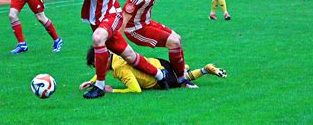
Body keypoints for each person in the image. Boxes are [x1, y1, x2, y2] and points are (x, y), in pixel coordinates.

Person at [78, 0, 173, 99]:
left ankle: (99, 86)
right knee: (129, 55)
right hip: (95, 19)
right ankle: (159, 75)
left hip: (112, 13)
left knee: (98, 38)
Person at [121, 0, 195, 87]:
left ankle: (180, 72)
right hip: (135, 29)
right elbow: (124, 19)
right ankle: (182, 80)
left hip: (146, 22)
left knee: (177, 38)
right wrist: (119, 45)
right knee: (174, 42)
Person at [80, 47, 227, 93]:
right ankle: (185, 67)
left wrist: (113, 90)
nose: (97, 67)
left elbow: (136, 90)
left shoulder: (119, 69)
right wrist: (92, 81)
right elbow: (103, 69)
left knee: (182, 81)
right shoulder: (115, 53)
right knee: (180, 75)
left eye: (96, 64)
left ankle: (205, 70)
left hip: (159, 78)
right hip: (159, 63)